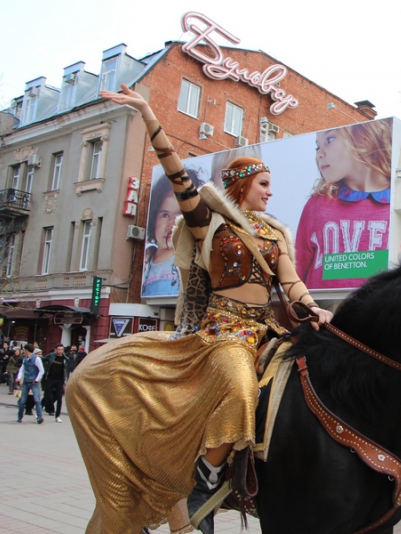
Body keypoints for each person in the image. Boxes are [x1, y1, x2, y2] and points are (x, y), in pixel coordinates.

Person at [68, 83, 333, 534]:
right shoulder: (209, 221)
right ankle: (204, 479)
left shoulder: (273, 234)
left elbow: (289, 280)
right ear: (243, 185)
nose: (271, 193)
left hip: (265, 330)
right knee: (241, 386)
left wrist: (313, 308)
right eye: (265, 185)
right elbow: (176, 174)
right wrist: (150, 116)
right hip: (223, 332)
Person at [296, 120, 393, 289]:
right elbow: (297, 269)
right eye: (317, 147)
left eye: (330, 140)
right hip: (323, 311)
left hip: (380, 309)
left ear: (363, 138)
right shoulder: (318, 204)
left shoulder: (398, 202)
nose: (320, 154)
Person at [142, 170, 205, 297]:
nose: (171, 224)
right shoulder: (146, 261)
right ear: (154, 217)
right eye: (165, 215)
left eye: (180, 216)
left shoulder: (190, 257)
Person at [16, 343, 44, 424]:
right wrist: (19, 377)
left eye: (24, 350)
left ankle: (39, 417)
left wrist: (37, 379)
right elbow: (22, 369)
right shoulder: (25, 359)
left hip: (34, 382)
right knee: (22, 401)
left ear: (27, 350)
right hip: (26, 381)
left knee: (37, 400)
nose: (23, 351)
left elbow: (41, 370)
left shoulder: (36, 359)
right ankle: (19, 417)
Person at [43, 344, 67, 423]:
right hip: (50, 379)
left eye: (62, 349)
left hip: (59, 380)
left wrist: (65, 382)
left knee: (59, 398)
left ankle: (58, 416)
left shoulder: (65, 358)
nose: (60, 351)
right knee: (46, 396)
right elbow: (42, 360)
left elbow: (68, 368)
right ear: (55, 349)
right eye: (59, 349)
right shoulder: (51, 356)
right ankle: (39, 411)